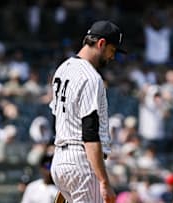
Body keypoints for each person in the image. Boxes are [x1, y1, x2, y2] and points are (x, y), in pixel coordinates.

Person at [49, 20, 126, 203]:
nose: (112, 57)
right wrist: (104, 181)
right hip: (82, 161)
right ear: (101, 44)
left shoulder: (62, 69)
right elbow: (90, 134)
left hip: (60, 159)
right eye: (112, 50)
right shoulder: (91, 77)